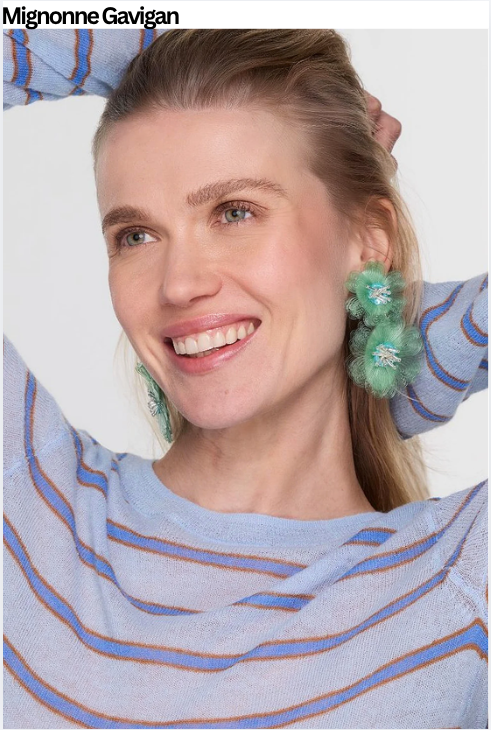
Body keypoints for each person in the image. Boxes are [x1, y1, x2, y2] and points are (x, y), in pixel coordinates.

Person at [3, 29, 487, 729]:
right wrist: (156, 38)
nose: (178, 284)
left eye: (235, 212)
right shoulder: (25, 498)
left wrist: (394, 341)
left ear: (366, 239)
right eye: (136, 235)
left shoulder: (456, 581)